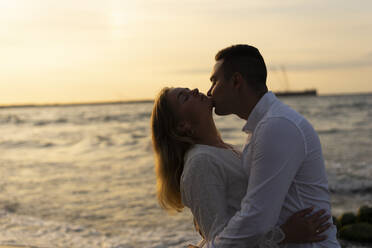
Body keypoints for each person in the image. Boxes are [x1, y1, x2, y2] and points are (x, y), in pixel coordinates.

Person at [151, 87, 332, 247]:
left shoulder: (226, 149)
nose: (196, 90)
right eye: (185, 97)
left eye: (189, 90)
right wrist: (284, 234)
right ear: (183, 126)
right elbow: (220, 242)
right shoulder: (200, 162)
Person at [199, 44, 340, 247]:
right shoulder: (262, 126)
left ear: (236, 81)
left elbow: (256, 217)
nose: (209, 91)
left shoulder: (276, 125)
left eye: (214, 81)